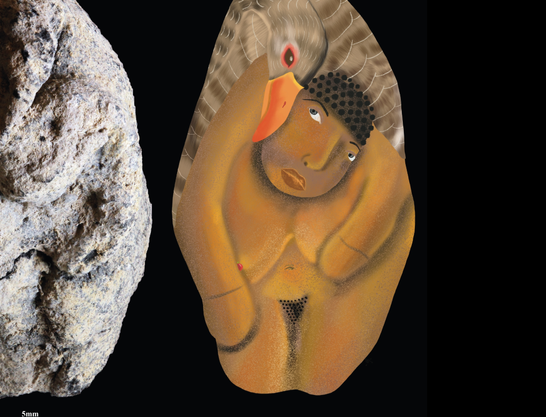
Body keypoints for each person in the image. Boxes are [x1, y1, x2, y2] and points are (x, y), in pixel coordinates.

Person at [174, 56, 415, 394]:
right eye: (314, 114)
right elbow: (197, 204)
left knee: (318, 375)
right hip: (253, 301)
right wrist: (225, 304)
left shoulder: (373, 176)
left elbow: (387, 183)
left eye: (347, 154)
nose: (316, 161)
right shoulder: (256, 101)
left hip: (328, 307)